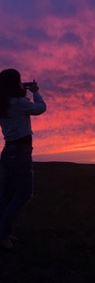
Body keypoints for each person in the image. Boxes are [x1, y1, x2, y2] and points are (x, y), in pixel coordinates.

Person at [0, 69, 46, 250]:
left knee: (7, 194)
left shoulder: (4, 104)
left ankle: (4, 231)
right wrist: (35, 92)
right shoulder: (20, 103)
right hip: (20, 152)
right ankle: (2, 233)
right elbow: (41, 108)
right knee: (24, 193)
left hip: (9, 150)